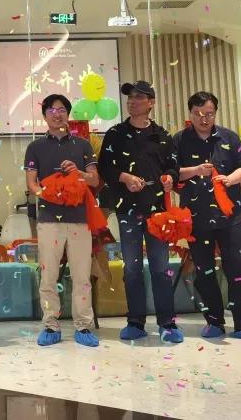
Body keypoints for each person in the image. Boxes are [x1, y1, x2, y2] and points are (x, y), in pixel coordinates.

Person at [174, 91, 241, 342]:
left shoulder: (228, 137)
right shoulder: (180, 140)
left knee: (237, 267)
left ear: (215, 113)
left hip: (230, 216)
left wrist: (232, 178)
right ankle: (214, 321)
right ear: (190, 113)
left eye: (209, 114)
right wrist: (196, 170)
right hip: (196, 217)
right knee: (204, 271)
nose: (204, 119)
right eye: (198, 114)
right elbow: (172, 174)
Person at [97, 80, 183, 343]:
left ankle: (167, 323)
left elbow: (173, 167)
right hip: (127, 210)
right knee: (132, 268)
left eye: (138, 97)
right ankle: (135, 321)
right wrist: (125, 177)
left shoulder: (162, 135)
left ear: (151, 103)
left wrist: (169, 178)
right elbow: (104, 167)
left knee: (160, 268)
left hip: (157, 213)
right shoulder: (115, 134)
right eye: (129, 97)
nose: (132, 101)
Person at [24, 94, 101, 347]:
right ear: (45, 116)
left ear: (68, 114)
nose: (57, 114)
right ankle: (50, 325)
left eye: (61, 110)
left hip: (79, 219)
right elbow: (32, 183)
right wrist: (46, 194)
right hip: (48, 220)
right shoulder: (35, 147)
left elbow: (94, 179)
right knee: (49, 275)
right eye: (51, 110)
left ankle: (84, 326)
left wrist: (78, 173)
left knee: (82, 276)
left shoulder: (83, 145)